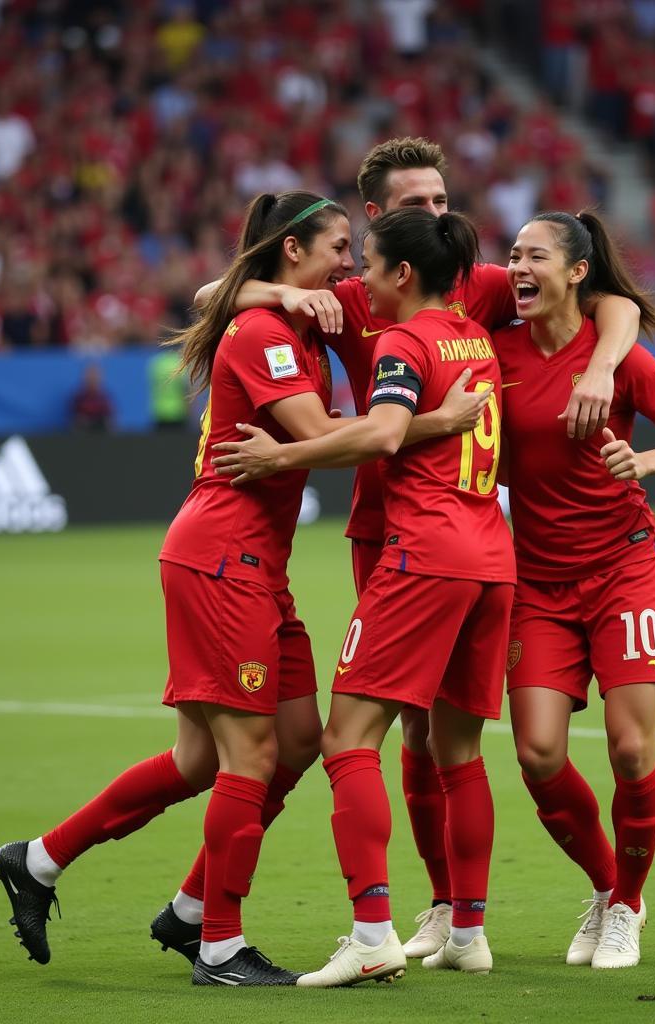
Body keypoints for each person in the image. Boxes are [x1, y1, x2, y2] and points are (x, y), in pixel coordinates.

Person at [197, 136, 642, 959]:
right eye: (417, 205)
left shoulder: (447, 287)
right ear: (376, 218)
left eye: (441, 201)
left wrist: (603, 367)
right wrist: (280, 294)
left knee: (369, 733)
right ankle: (454, 917)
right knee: (430, 737)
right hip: (454, 538)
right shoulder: (361, 287)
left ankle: (381, 925)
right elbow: (214, 293)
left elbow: (610, 295)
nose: (438, 215)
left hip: (419, 536)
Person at [0, 190, 362, 987]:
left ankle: (45, 862)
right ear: (294, 251)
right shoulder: (263, 331)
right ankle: (219, 946)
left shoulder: (294, 317)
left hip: (256, 564)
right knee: (251, 754)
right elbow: (322, 439)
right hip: (223, 559)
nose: (350, 259)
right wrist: (423, 425)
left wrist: (280, 291)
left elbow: (222, 291)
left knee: (266, 747)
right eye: (338, 244)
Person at [214, 208, 515, 985]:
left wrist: (284, 457)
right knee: (460, 752)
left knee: (347, 741)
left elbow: (382, 435)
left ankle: (373, 929)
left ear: (403, 274)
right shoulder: (473, 335)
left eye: (371, 266)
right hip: (491, 555)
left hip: (425, 555)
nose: (362, 283)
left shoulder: (404, 342)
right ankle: (468, 932)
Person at [495, 210, 655, 969]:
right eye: (512, 255)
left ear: (576, 272)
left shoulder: (619, 355)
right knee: (536, 752)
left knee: (630, 750)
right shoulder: (498, 352)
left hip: (624, 567)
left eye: (533, 255)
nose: (516, 267)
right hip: (537, 580)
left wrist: (648, 463)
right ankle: (607, 887)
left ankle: (627, 906)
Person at [69, 363, 114, 432]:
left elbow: (109, 417)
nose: (92, 379)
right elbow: (75, 417)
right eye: (90, 376)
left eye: (95, 377)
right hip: (84, 429)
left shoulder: (104, 397)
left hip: (101, 429)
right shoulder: (79, 397)